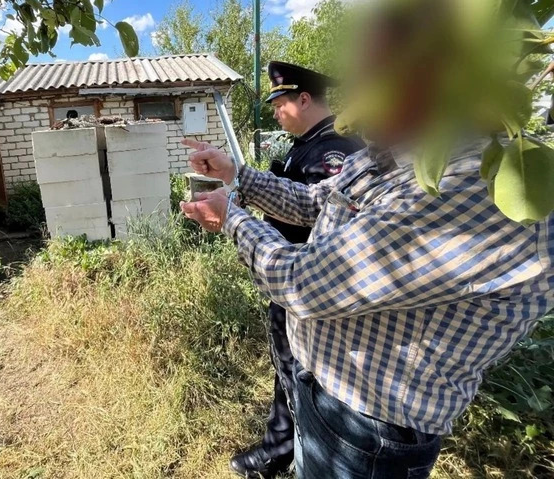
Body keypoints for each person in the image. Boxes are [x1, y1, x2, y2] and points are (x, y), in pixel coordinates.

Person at [178, 28, 554, 477]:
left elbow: (302, 282)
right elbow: (315, 201)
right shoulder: (403, 154)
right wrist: (237, 175)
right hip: (329, 393)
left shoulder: (472, 182)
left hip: (368, 428)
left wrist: (232, 218)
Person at [229, 61, 362, 478]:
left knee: (300, 374)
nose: (274, 112)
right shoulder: (306, 145)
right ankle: (284, 448)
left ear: (304, 99)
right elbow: (293, 199)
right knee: (288, 369)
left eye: (279, 103)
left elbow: (316, 217)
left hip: (307, 287)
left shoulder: (334, 152)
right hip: (289, 280)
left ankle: (288, 454)